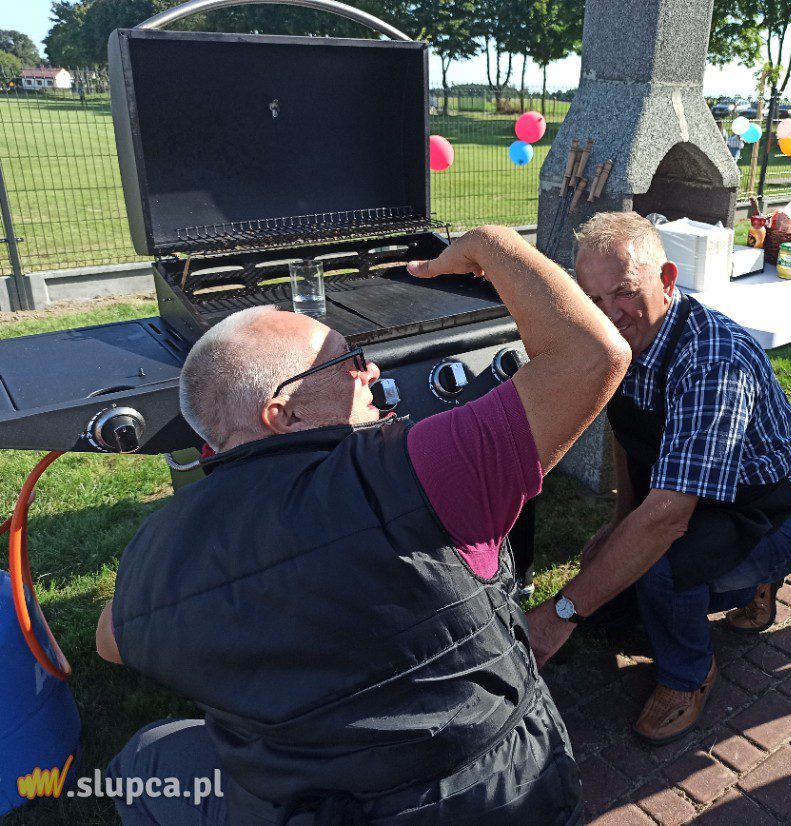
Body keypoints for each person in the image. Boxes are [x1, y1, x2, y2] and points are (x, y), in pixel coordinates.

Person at [95, 225, 630, 824]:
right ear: (283, 411)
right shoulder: (418, 473)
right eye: (347, 362)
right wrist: (491, 244)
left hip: (301, 803)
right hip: (489, 798)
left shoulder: (156, 551)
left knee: (143, 759)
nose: (371, 371)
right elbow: (593, 355)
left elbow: (109, 641)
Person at [527, 212, 791, 745]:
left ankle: (688, 674)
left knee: (656, 569)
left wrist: (559, 612)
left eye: (626, 292)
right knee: (611, 594)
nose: (610, 314)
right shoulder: (619, 342)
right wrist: (618, 521)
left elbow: (665, 520)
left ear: (666, 279)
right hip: (685, 500)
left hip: (764, 515)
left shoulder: (713, 361)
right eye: (592, 299)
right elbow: (628, 435)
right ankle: (719, 593)